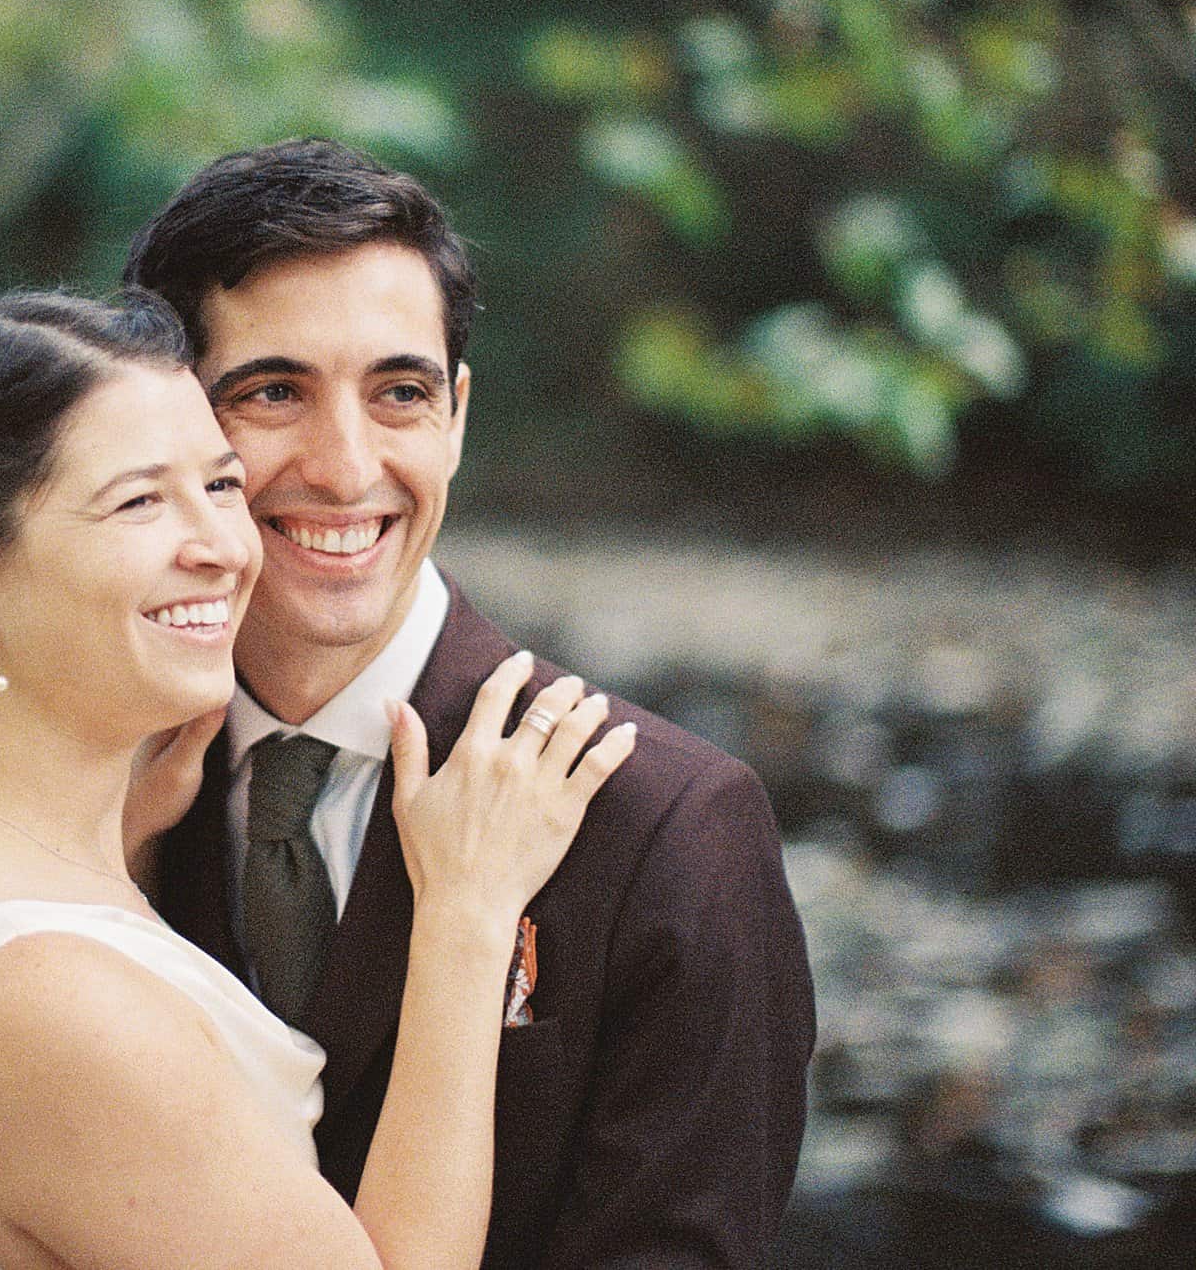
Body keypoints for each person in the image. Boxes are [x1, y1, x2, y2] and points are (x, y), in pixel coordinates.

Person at [0, 288, 635, 1269]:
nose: (225, 550)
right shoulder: (67, 1010)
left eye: (220, 484)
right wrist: (464, 916)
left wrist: (126, 836)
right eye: (139, 502)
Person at [121, 138, 818, 1268]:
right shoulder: (104, 783)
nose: (345, 469)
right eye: (273, 392)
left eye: (397, 392)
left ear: (455, 414)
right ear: (166, 425)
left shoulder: (669, 824)